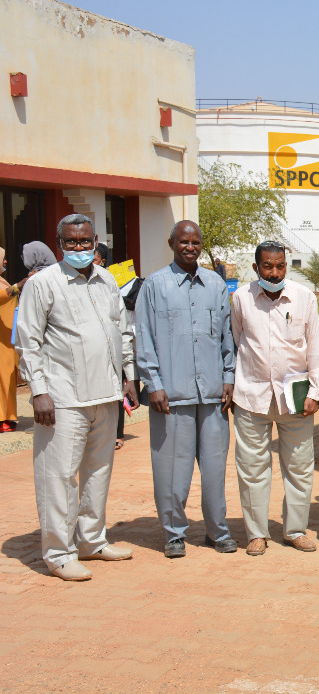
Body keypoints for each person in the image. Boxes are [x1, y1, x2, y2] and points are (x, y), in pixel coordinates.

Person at [16, 213, 139, 581]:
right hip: (62, 397)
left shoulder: (106, 280)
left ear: (95, 241)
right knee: (58, 476)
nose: (79, 247)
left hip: (105, 393)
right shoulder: (43, 284)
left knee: (98, 472)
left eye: (85, 241)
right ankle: (58, 552)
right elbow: (28, 342)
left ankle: (91, 540)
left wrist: (129, 376)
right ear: (60, 244)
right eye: (71, 242)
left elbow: (123, 330)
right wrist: (39, 391)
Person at [135, 221, 237, 559]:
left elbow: (227, 335)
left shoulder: (215, 284)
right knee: (171, 471)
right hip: (171, 395)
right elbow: (143, 336)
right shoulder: (155, 285)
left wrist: (229, 376)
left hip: (212, 394)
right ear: (171, 244)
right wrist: (153, 383)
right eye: (183, 242)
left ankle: (217, 531)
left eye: (195, 242)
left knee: (214, 469)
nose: (189, 248)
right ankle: (174, 534)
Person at [231, 241, 319, 556]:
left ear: (287, 265)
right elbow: (237, 341)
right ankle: (257, 533)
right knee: (252, 469)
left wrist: (315, 392)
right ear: (256, 268)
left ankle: (295, 530)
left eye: (280, 266)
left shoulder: (304, 297)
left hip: (295, 400)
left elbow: (315, 348)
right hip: (251, 396)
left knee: (299, 467)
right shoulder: (241, 298)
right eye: (267, 266)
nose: (274, 273)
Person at [92, 243, 129, 451]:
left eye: (95, 260)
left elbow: (120, 319)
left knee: (117, 389)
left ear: (103, 261)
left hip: (113, 344)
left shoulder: (110, 281)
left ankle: (118, 433)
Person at [0, 247, 29, 432]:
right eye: (2, 258)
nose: (5, 262)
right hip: (1, 342)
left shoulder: (2, 280)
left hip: (7, 340)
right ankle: (3, 418)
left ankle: (7, 416)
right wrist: (18, 285)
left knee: (8, 380)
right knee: (3, 380)